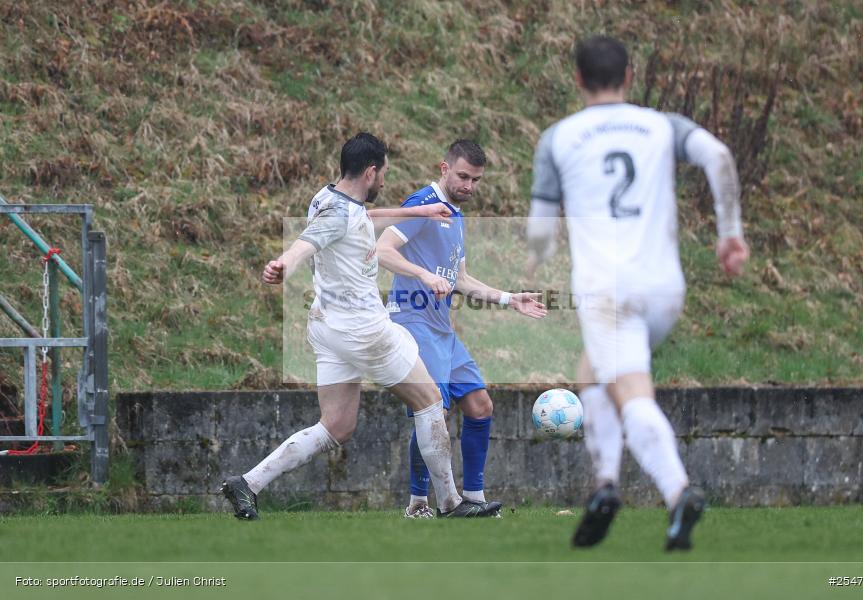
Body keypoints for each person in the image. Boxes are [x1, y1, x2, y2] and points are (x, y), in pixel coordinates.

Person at [526, 36, 749, 550]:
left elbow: (540, 228)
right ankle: (604, 486)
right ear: (630, 75)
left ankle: (678, 492)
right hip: (665, 288)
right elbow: (718, 155)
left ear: (577, 79)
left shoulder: (559, 138)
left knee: (629, 391)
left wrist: (537, 253)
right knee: (592, 373)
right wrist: (729, 232)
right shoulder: (660, 125)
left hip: (610, 291)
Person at [221, 133, 502, 520]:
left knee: (335, 426)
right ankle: (450, 502)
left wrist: (420, 213)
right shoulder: (337, 215)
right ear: (371, 171)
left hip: (326, 328)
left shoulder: (327, 197)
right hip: (364, 329)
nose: (385, 181)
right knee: (431, 401)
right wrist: (285, 262)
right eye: (383, 173)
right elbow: (309, 241)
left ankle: (247, 483)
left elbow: (361, 218)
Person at [377, 140, 547, 518]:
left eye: (476, 179)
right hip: (412, 320)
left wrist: (509, 299)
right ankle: (418, 504)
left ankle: (473, 498)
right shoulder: (423, 205)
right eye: (463, 176)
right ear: (444, 168)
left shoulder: (456, 216)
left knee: (480, 405)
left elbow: (461, 279)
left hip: (442, 329)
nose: (469, 185)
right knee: (432, 411)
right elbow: (382, 249)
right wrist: (421, 274)